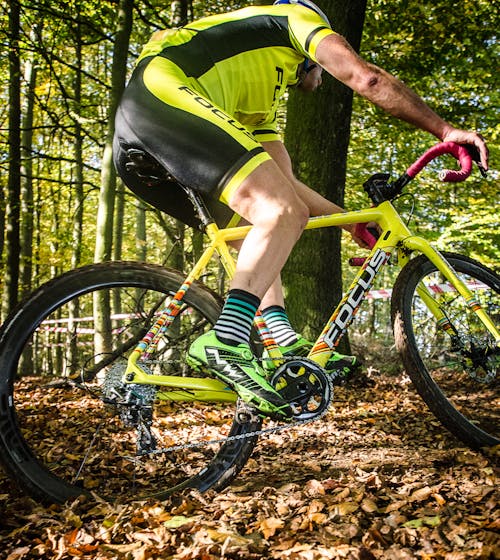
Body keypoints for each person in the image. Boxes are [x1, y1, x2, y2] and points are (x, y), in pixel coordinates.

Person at [113, 0, 489, 420]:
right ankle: (227, 339)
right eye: (324, 65)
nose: (326, 75)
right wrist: (445, 130)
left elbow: (285, 184)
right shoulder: (296, 19)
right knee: (280, 212)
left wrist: (349, 221)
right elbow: (366, 78)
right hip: (164, 95)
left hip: (148, 131)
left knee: (265, 220)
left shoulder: (259, 101)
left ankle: (280, 344)